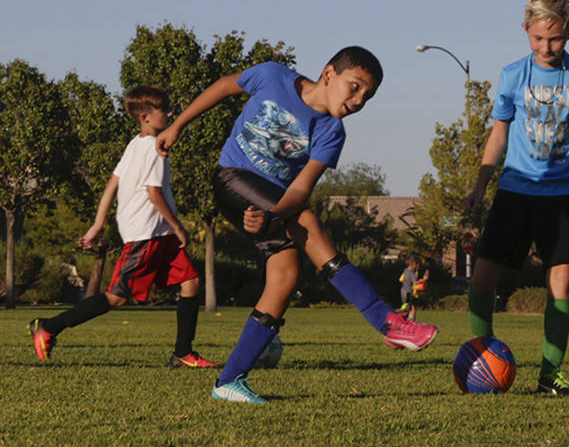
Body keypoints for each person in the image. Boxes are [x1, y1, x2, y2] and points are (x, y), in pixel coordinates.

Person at [156, 46, 438, 403]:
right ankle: (385, 320)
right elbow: (224, 87)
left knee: (285, 276)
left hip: (272, 202)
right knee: (305, 221)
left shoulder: (332, 132)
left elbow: (301, 189)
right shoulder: (273, 76)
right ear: (329, 73)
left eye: (368, 96)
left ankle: (228, 381)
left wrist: (272, 216)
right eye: (355, 86)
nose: (358, 100)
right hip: (232, 177)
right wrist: (178, 125)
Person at [465, 0, 569, 396]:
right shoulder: (512, 75)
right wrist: (480, 183)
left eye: (556, 39)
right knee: (484, 277)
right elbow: (499, 132)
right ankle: (481, 356)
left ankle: (550, 374)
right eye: (538, 38)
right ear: (525, 30)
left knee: (560, 286)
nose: (546, 47)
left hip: (564, 196)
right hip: (516, 189)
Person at [29, 86, 217, 368]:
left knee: (190, 282)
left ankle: (183, 352)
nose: (171, 114)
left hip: (159, 233)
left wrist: (98, 223)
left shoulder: (134, 143)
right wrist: (178, 226)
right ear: (145, 117)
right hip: (145, 234)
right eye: (164, 111)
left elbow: (111, 184)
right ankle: (49, 326)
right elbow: (154, 193)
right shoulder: (154, 149)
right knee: (116, 298)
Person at [398, 255, 429, 320]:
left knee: (409, 307)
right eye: (417, 264)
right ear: (413, 264)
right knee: (405, 308)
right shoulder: (411, 272)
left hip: (403, 291)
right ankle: (392, 313)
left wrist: (407, 283)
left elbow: (400, 280)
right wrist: (424, 280)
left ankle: (408, 320)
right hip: (408, 292)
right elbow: (415, 283)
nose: (418, 265)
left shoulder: (405, 270)